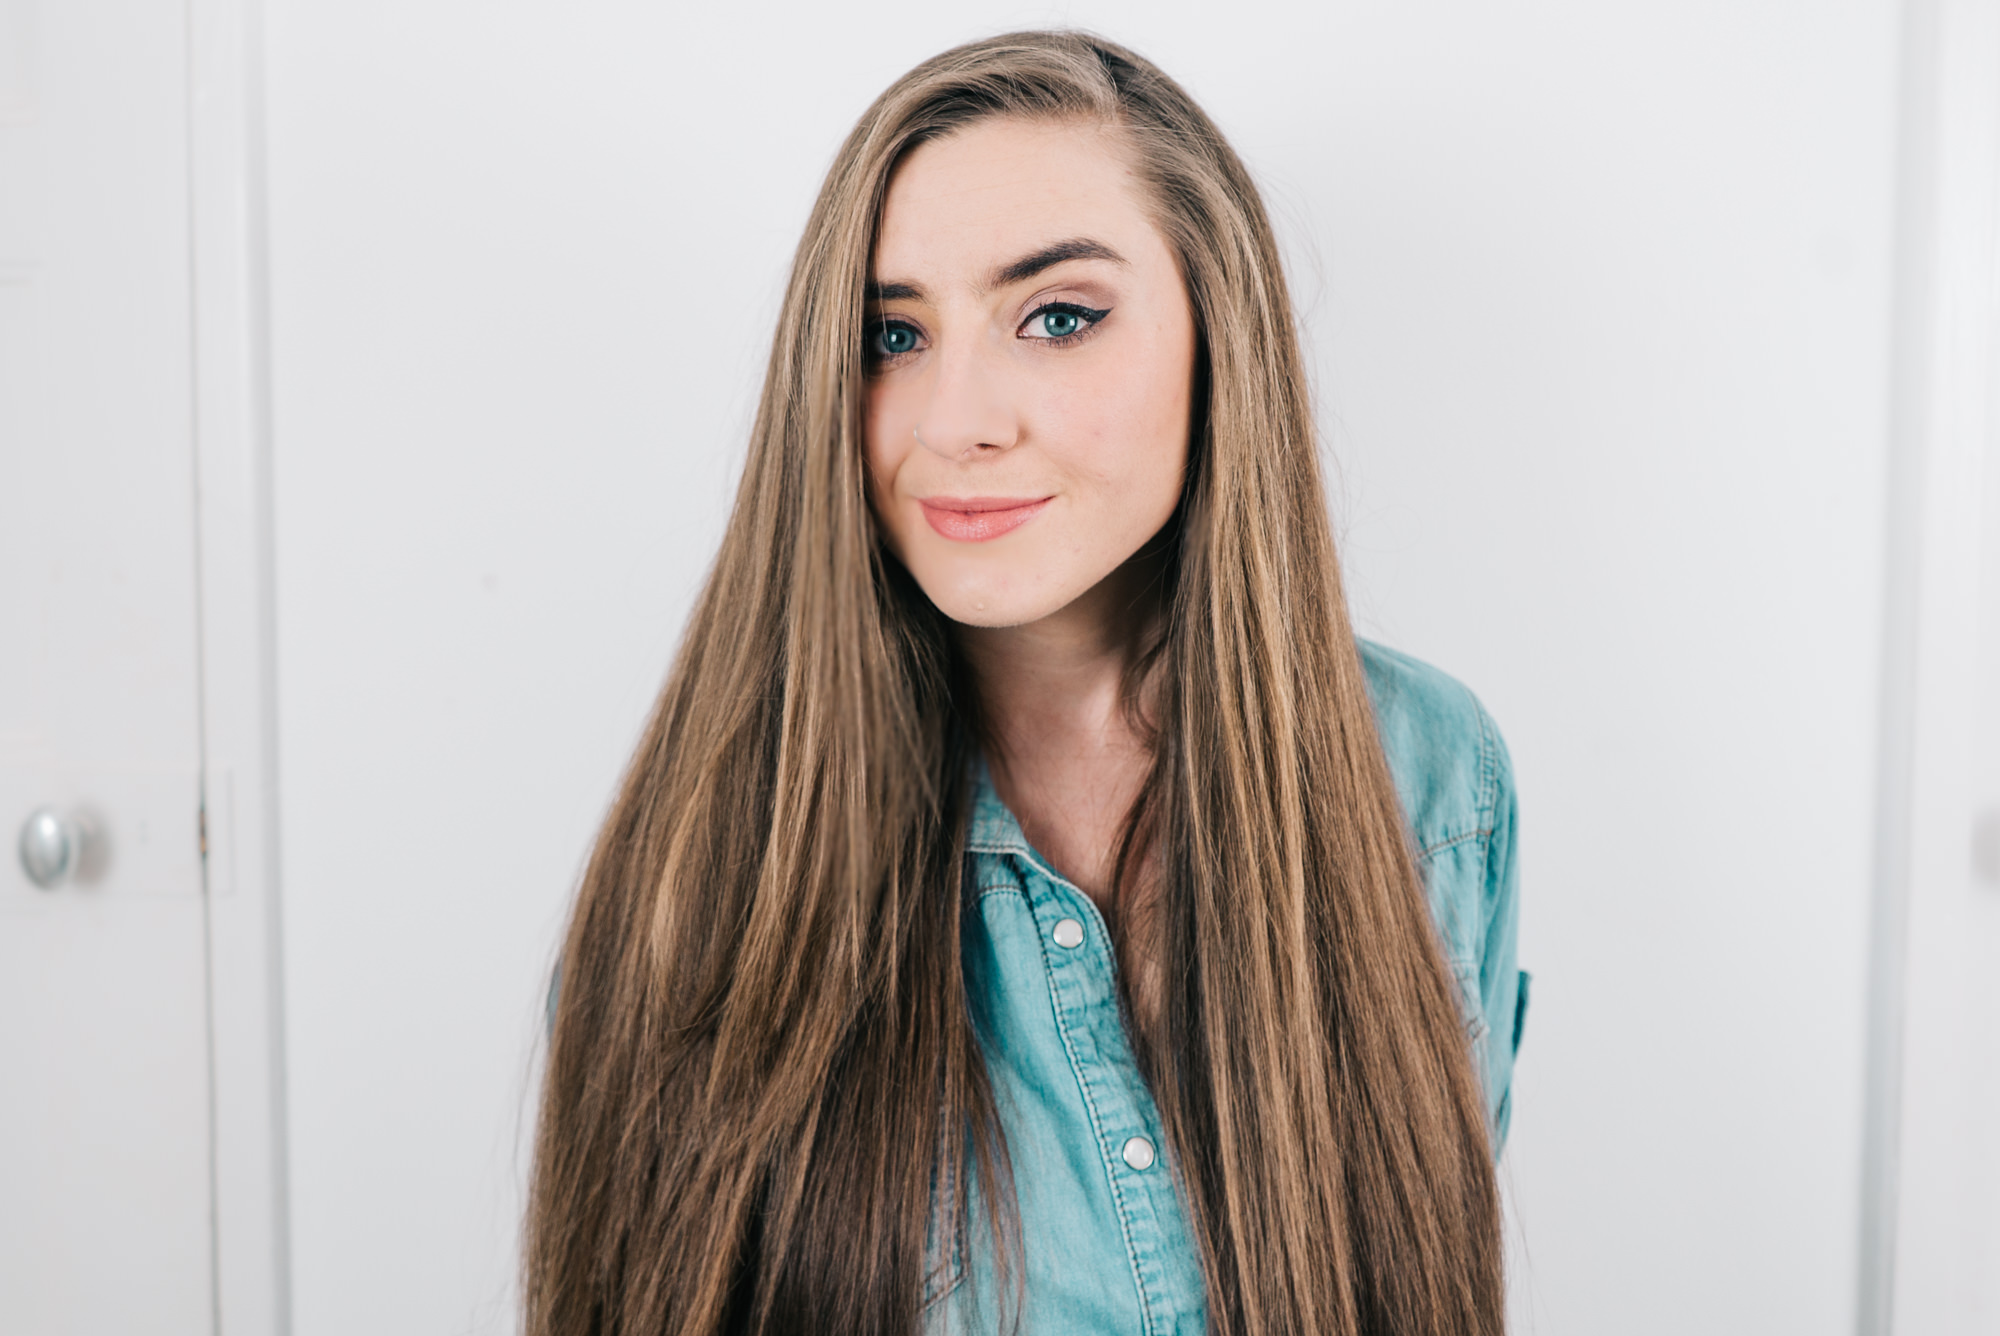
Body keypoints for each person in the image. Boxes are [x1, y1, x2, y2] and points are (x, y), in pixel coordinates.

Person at [528, 30, 1525, 1336]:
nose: (958, 421)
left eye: (1057, 318)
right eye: (893, 334)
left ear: (1217, 334)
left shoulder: (1429, 773)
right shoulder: (712, 861)